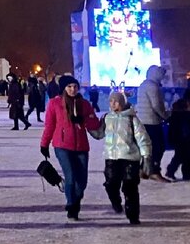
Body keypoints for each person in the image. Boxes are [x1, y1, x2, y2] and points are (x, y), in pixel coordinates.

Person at [40, 75, 100, 220]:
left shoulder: (84, 104)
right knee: (71, 176)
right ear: (64, 89)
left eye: (75, 86)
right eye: (69, 87)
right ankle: (71, 203)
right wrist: (44, 143)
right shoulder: (55, 104)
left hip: (81, 146)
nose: (73, 89)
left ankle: (76, 200)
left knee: (82, 181)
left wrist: (85, 119)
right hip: (62, 145)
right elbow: (49, 125)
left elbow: (94, 125)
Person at [100, 91, 151, 225]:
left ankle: (133, 215)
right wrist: (90, 127)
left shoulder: (131, 119)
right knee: (111, 184)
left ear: (122, 103)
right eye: (111, 101)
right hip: (111, 157)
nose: (113, 104)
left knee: (130, 187)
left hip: (129, 158)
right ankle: (115, 201)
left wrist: (146, 157)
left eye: (116, 101)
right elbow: (99, 133)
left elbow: (143, 138)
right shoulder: (107, 117)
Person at [135, 65, 171, 182]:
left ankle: (143, 169)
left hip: (143, 121)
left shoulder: (143, 85)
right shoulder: (152, 87)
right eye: (161, 75)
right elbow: (156, 105)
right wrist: (165, 115)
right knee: (158, 147)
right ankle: (154, 171)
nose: (162, 78)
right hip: (152, 121)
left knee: (147, 148)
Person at [165, 98, 190, 182]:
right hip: (183, 140)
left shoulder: (175, 115)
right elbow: (185, 129)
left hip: (178, 139)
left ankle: (173, 171)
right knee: (181, 157)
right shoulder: (184, 116)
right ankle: (172, 171)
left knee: (181, 157)